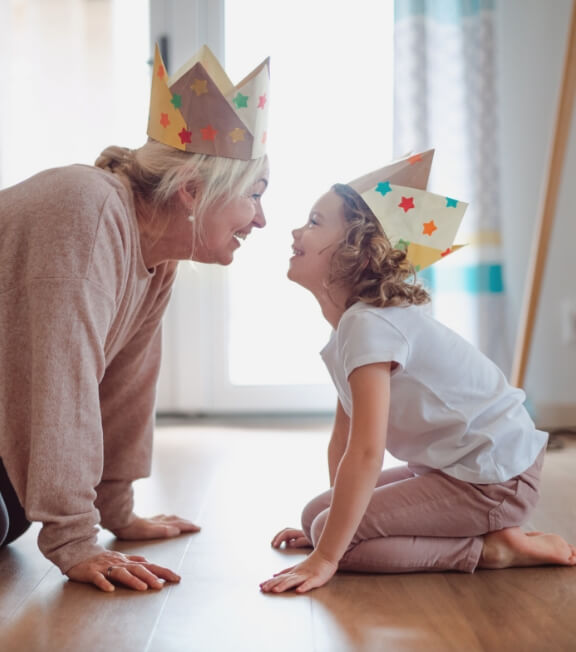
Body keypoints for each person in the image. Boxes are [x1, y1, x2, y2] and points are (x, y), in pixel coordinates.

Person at [0, 44, 270, 592]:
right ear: (193, 192)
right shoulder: (88, 206)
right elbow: (59, 374)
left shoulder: (158, 256)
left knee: (11, 521)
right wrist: (75, 539)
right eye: (254, 196)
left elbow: (125, 384)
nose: (261, 220)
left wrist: (115, 511)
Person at [259, 151, 576, 595]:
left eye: (314, 222)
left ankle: (492, 550)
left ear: (358, 253)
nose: (296, 231)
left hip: (496, 479)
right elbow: (345, 441)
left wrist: (329, 551)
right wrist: (332, 526)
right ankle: (492, 534)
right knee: (318, 515)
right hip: (466, 469)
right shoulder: (352, 328)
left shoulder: (369, 326)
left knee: (340, 543)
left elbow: (367, 453)